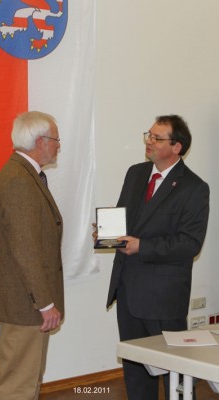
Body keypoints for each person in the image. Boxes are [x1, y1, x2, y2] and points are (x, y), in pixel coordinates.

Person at [106, 115, 210, 400]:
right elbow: (126, 219)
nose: (148, 142)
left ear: (177, 147)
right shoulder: (136, 173)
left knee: (173, 372)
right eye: (148, 135)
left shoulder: (194, 188)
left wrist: (144, 247)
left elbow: (190, 243)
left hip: (163, 297)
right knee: (135, 371)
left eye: (156, 138)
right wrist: (107, 232)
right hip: (127, 289)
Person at [0, 111, 64, 400]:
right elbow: (26, 248)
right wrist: (45, 303)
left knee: (25, 379)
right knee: (18, 383)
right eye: (55, 139)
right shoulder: (19, 179)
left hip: (24, 301)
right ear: (40, 141)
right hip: (25, 303)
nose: (58, 145)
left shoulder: (25, 174)